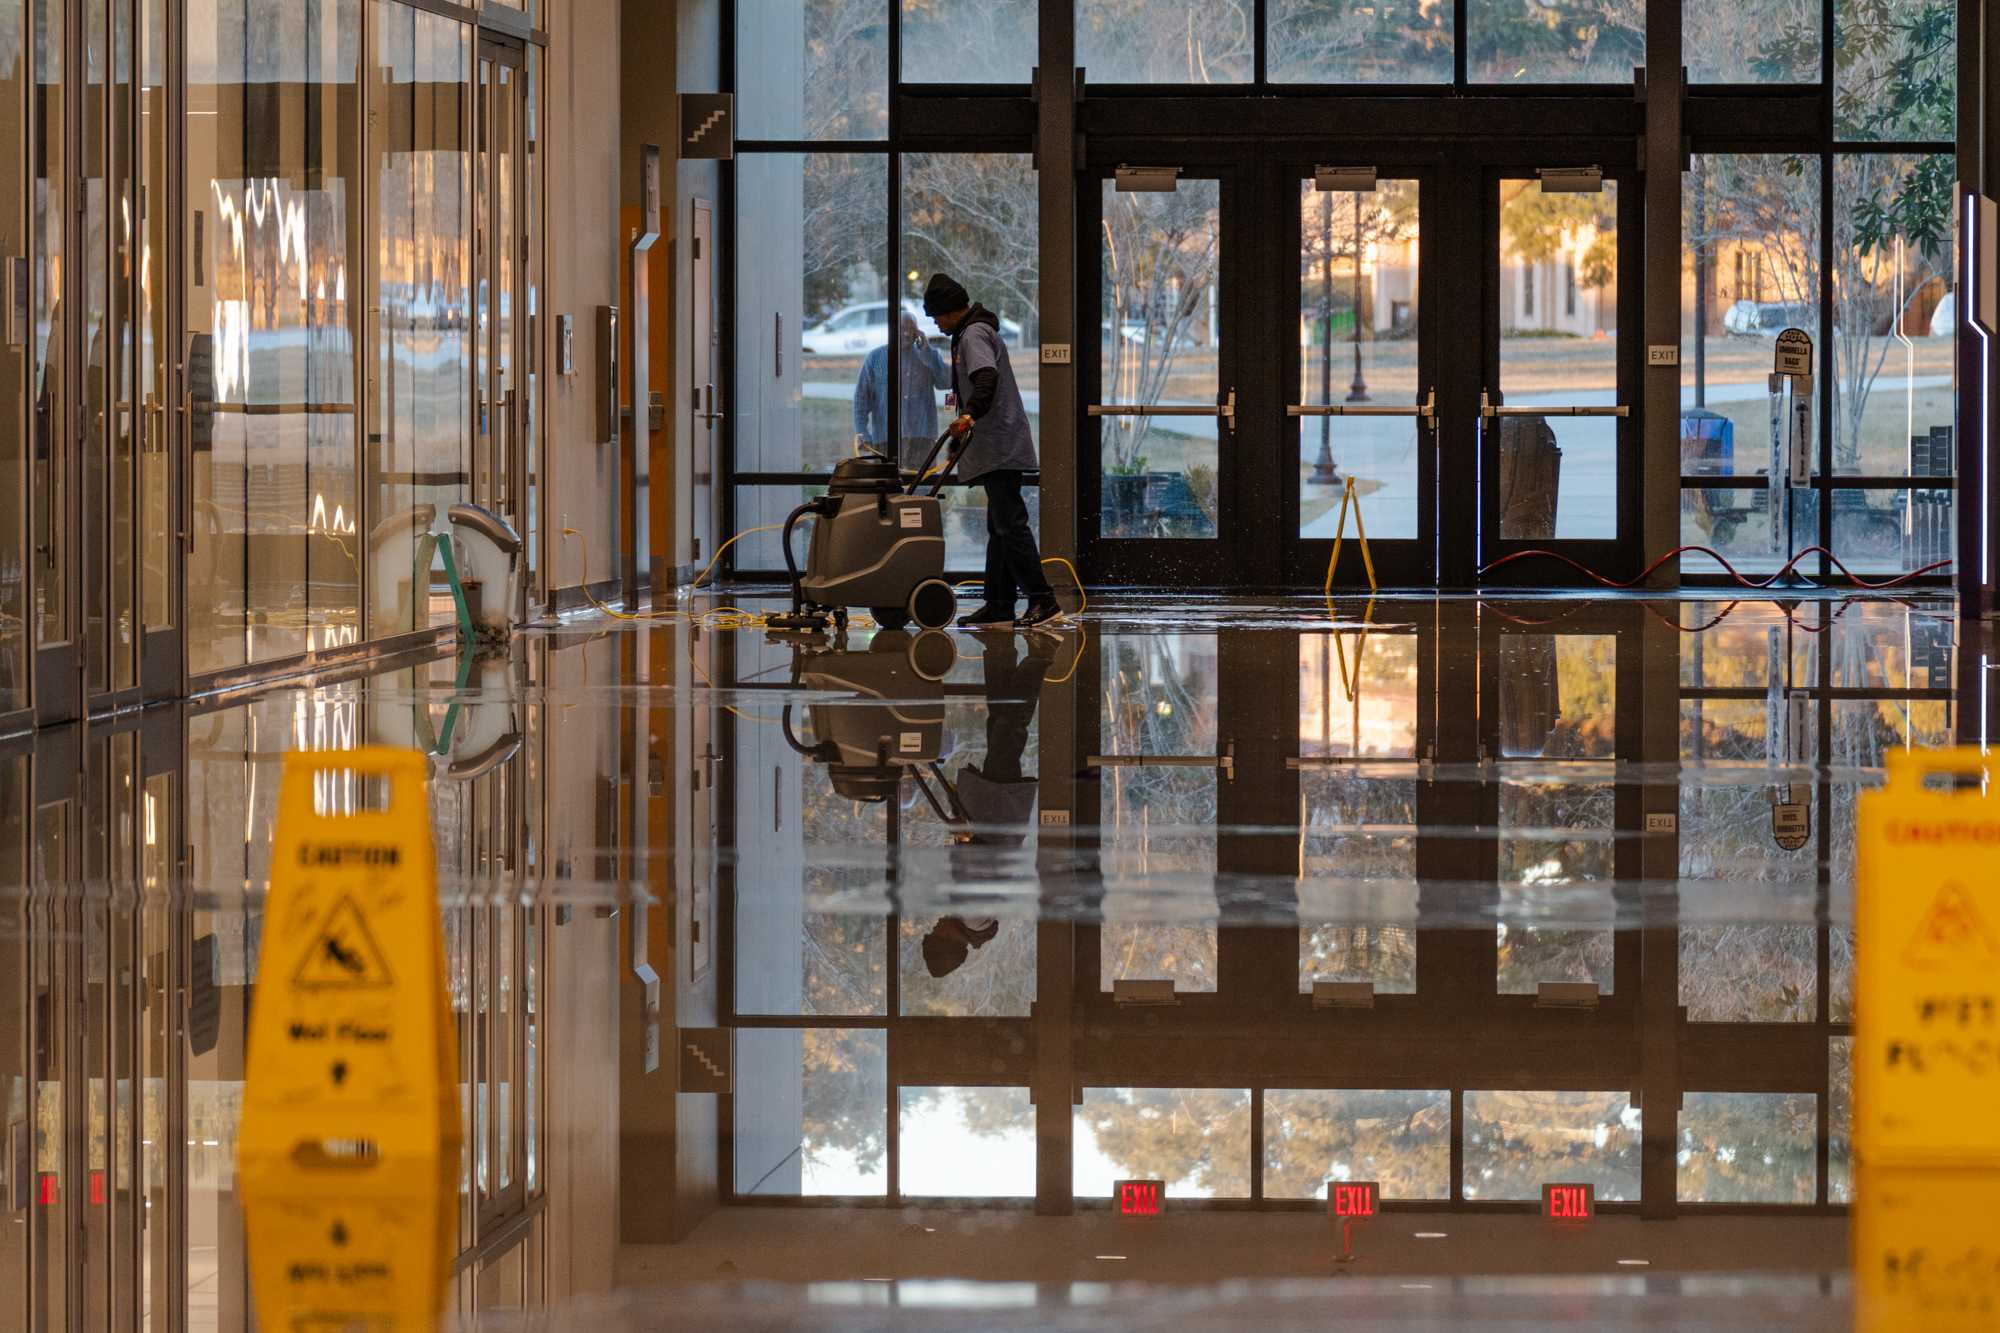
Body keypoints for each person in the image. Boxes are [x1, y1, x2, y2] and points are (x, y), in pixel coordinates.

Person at [923, 273, 1061, 630]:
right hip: (994, 443)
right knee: (999, 526)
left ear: (952, 310)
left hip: (1000, 444)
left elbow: (986, 378)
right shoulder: (974, 332)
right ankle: (999, 604)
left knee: (1010, 525)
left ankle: (1043, 600)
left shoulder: (972, 335)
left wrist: (969, 415)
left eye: (937, 316)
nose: (937, 323)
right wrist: (961, 436)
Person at [850, 311, 951, 470]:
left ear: (918, 331)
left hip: (922, 439)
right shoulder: (875, 358)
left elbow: (946, 382)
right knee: (887, 490)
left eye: (911, 329)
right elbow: (861, 400)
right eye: (902, 328)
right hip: (885, 439)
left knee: (921, 490)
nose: (906, 333)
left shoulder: (928, 356)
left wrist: (928, 352)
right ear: (892, 330)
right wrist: (862, 432)